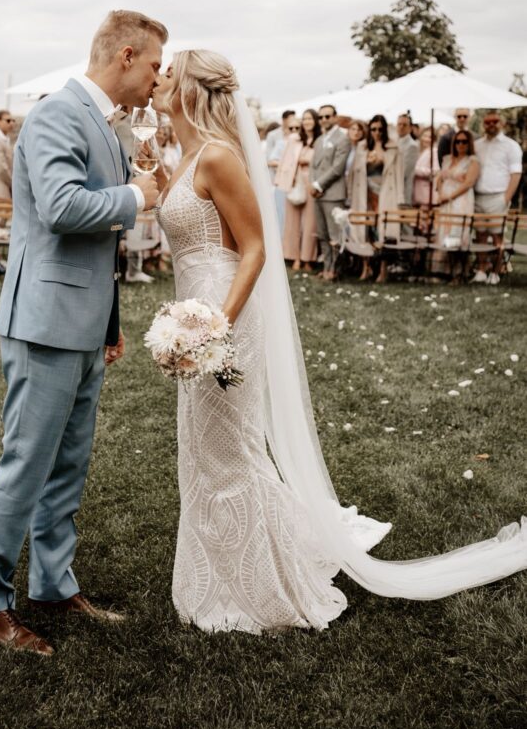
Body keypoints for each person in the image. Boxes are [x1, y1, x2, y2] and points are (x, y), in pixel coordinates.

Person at [151, 49, 527, 635]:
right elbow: (183, 219)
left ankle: (264, 587)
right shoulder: (187, 157)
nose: (157, 80)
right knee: (203, 449)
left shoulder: (220, 156)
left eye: (168, 73)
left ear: (191, 91)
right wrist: (152, 171)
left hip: (224, 318)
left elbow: (255, 248)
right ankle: (219, 572)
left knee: (231, 450)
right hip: (192, 319)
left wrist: (215, 324)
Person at [0, 10, 166, 654]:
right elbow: (61, 208)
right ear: (126, 55)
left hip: (83, 325)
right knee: (26, 465)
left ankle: (53, 584)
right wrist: (139, 196)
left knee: (68, 469)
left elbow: (100, 244)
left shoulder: (108, 124)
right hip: (44, 322)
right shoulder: (57, 113)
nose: (158, 78)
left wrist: (109, 323)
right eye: (155, 64)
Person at [471, 113, 523, 284]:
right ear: (483, 124)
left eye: (495, 121)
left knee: (497, 237)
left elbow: (516, 174)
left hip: (498, 197)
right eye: (487, 122)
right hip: (479, 196)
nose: (491, 124)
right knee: (480, 235)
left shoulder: (511, 146)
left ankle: (496, 271)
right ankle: (481, 269)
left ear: (502, 123)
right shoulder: (477, 145)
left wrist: (506, 198)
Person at [308, 105, 350, 281]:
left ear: (335, 117)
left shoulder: (343, 138)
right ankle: (326, 267)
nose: (324, 120)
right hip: (317, 193)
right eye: (321, 117)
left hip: (333, 193)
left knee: (334, 234)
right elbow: (313, 165)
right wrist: (312, 184)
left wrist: (319, 185)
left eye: (327, 116)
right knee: (322, 234)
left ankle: (335, 270)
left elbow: (338, 168)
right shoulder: (319, 140)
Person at [432, 130, 479, 281]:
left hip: (461, 200)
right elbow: (440, 178)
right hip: (445, 200)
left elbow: (468, 183)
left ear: (469, 143)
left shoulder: (473, 161)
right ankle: (444, 271)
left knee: (457, 232)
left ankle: (459, 272)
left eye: (464, 141)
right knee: (444, 232)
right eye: (458, 141)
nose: (460, 144)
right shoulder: (447, 159)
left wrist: (450, 197)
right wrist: (440, 194)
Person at [275, 110, 319, 272]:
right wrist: (283, 179)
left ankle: (308, 258)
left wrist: (309, 161)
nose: (307, 121)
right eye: (304, 119)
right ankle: (294, 257)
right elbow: (285, 161)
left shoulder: (319, 140)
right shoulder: (294, 139)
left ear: (315, 121)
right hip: (294, 181)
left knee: (309, 223)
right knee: (292, 222)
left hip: (311, 182)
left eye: (310, 118)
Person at [366, 115, 401, 283]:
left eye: (380, 129)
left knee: (384, 231)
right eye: (373, 129)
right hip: (367, 192)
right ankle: (366, 267)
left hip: (386, 192)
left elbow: (399, 173)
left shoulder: (392, 148)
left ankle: (383, 269)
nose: (377, 132)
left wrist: (400, 198)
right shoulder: (364, 147)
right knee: (368, 230)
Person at [344, 120, 370, 278]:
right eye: (353, 129)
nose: (356, 132)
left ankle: (363, 264)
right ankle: (351, 262)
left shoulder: (364, 149)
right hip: (345, 190)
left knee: (359, 229)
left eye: (359, 130)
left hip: (358, 192)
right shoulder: (346, 147)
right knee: (347, 229)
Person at [266, 110, 295, 235]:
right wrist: (289, 165)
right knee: (280, 211)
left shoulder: (297, 136)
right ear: (284, 120)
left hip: (293, 181)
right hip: (277, 178)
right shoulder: (274, 136)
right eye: (290, 119)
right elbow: (269, 159)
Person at [395, 112, 418, 207]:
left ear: (410, 128)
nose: (401, 127)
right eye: (399, 124)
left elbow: (404, 172)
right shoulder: (394, 141)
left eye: (404, 125)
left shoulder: (412, 146)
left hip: (403, 193)